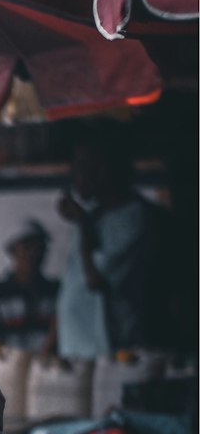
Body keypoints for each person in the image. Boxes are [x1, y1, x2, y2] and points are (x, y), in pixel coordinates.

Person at [55, 124, 162, 358]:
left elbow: (94, 279)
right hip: (76, 349)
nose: (76, 176)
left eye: (82, 167)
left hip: (109, 349)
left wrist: (82, 223)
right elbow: (73, 283)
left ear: (103, 171)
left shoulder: (133, 217)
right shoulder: (93, 214)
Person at [0, 218, 58, 351]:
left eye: (39, 247)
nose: (34, 253)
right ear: (13, 251)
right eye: (27, 247)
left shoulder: (55, 294)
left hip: (48, 369)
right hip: (7, 368)